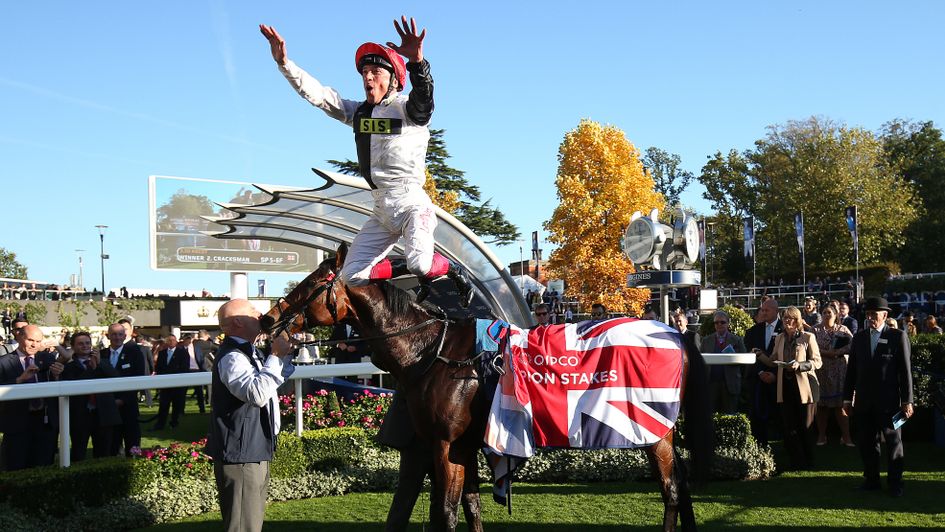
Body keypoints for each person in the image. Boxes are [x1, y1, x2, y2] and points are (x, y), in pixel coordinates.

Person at [260, 17, 474, 307]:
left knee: (420, 264)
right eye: (364, 73)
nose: (368, 78)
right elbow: (320, 96)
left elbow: (424, 99)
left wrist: (417, 62)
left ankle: (453, 269)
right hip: (381, 209)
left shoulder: (408, 109)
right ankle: (407, 271)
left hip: (411, 203)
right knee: (352, 275)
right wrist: (285, 64)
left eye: (375, 72)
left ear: (395, 80)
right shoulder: (359, 112)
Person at [207, 299, 295, 532]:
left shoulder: (247, 351)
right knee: (244, 526)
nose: (260, 314)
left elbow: (272, 380)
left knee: (251, 522)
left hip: (251, 449)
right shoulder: (232, 356)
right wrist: (275, 356)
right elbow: (257, 394)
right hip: (241, 453)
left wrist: (284, 355)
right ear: (238, 321)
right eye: (253, 311)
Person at [843, 297, 913, 497]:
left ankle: (895, 483)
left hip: (891, 403)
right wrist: (847, 399)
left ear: (885, 315)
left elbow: (905, 372)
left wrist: (908, 400)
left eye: (874, 314)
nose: (870, 317)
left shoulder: (897, 336)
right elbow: (852, 371)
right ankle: (871, 480)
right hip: (864, 402)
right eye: (868, 314)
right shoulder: (859, 338)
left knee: (894, 442)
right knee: (866, 443)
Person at [759, 306, 821, 470]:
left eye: (791, 318)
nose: (787, 321)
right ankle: (796, 461)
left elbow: (817, 362)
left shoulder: (808, 337)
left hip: (805, 387)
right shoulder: (779, 338)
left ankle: (809, 461)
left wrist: (800, 365)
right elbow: (772, 361)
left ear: (797, 320)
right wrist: (760, 355)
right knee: (789, 425)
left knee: (805, 426)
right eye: (785, 318)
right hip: (785, 385)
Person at [0, 324, 64, 470]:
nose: (34, 345)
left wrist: (57, 375)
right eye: (30, 340)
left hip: (44, 421)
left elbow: (59, 377)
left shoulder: (46, 358)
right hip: (16, 423)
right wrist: (20, 379)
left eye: (38, 341)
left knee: (43, 466)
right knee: (16, 466)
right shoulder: (3, 362)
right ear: (19, 337)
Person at [59, 331, 122, 461]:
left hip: (103, 414)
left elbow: (116, 378)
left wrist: (99, 363)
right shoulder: (68, 367)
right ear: (73, 346)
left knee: (104, 453)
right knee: (78, 452)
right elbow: (75, 387)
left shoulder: (104, 362)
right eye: (81, 344)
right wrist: (90, 369)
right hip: (80, 415)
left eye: (87, 343)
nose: (85, 346)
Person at [812, 303, 854, 447]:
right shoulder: (815, 330)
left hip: (839, 372)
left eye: (829, 312)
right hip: (821, 372)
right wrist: (826, 353)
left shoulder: (843, 329)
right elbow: (810, 347)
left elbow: (852, 345)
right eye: (824, 312)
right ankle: (821, 436)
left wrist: (837, 352)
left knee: (840, 406)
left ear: (836, 315)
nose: (826, 315)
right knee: (821, 406)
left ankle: (846, 437)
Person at [744, 298, 783, 446]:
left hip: (779, 380)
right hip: (757, 380)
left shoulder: (785, 329)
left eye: (767, 310)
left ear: (776, 311)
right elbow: (749, 354)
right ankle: (759, 444)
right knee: (757, 415)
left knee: (780, 415)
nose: (764, 312)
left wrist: (774, 374)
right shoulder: (752, 331)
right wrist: (760, 372)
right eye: (762, 310)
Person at [103, 322, 145, 456]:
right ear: (108, 336)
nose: (117, 337)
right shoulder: (102, 355)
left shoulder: (135, 353)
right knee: (111, 446)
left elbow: (138, 378)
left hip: (129, 406)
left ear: (125, 336)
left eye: (120, 334)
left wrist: (123, 400)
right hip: (108, 407)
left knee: (132, 445)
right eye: (114, 334)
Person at [700, 310, 746, 415]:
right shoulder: (706, 341)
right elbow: (700, 361)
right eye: (716, 322)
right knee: (710, 416)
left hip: (730, 385)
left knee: (730, 416)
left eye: (722, 322)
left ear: (728, 323)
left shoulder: (737, 340)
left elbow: (743, 361)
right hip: (711, 385)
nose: (719, 324)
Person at [153, 334, 189, 430]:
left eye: (174, 340)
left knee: (176, 405)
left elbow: (185, 367)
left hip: (177, 384)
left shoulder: (182, 353)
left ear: (176, 341)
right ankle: (160, 424)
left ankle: (174, 423)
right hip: (165, 384)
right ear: (166, 342)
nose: (172, 342)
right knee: (163, 405)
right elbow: (159, 367)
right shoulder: (162, 353)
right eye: (170, 340)